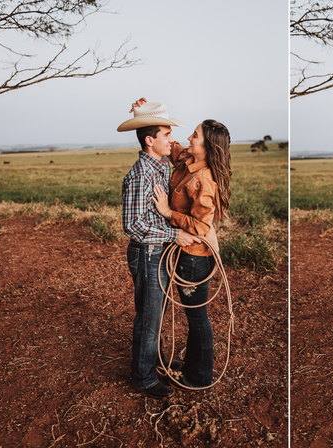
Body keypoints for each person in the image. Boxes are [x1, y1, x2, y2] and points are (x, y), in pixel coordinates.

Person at [118, 100, 194, 398]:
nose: (171, 139)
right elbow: (133, 224)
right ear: (150, 141)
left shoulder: (159, 164)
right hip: (147, 251)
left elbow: (182, 156)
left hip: (155, 251)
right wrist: (173, 234)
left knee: (156, 313)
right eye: (165, 134)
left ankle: (156, 361)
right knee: (149, 317)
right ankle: (143, 376)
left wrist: (145, 108)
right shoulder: (140, 174)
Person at [151, 115, 233, 392]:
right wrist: (144, 114)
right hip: (189, 253)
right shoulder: (189, 159)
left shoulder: (204, 180)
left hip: (195, 256)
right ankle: (193, 368)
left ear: (208, 147)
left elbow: (199, 226)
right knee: (195, 316)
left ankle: (200, 376)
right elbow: (170, 145)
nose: (189, 138)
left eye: (195, 135)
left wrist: (167, 212)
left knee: (197, 318)